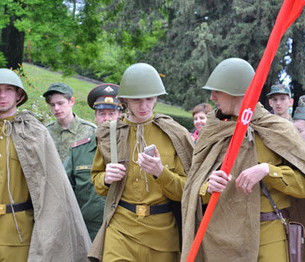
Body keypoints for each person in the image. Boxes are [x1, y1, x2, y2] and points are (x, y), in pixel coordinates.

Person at [181, 58, 305, 261]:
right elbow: (193, 189)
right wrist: (207, 186)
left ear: (236, 91)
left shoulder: (278, 129)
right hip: (223, 240)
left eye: (217, 91)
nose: (212, 97)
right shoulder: (213, 131)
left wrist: (268, 170)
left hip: (270, 234)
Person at [0, 69, 90, 261]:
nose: (2, 95)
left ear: (19, 95)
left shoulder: (36, 133)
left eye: (9, 89)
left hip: (21, 237)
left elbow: (55, 189)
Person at [88, 63, 194, 261]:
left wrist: (161, 173)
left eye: (150, 98)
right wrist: (106, 178)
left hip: (162, 234)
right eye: (137, 99)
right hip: (120, 229)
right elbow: (98, 183)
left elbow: (188, 190)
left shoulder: (175, 134)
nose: (144, 105)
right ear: (125, 100)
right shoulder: (109, 133)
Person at [64, 83, 123, 241]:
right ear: (95, 117)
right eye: (102, 113)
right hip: (87, 230)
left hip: (123, 229)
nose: (107, 119)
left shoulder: (131, 148)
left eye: (112, 113)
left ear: (121, 116)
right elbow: (65, 189)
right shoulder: (78, 151)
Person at [44, 82, 96, 162]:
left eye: (60, 103)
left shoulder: (90, 131)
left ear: (72, 101)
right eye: (52, 105)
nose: (56, 108)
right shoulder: (46, 132)